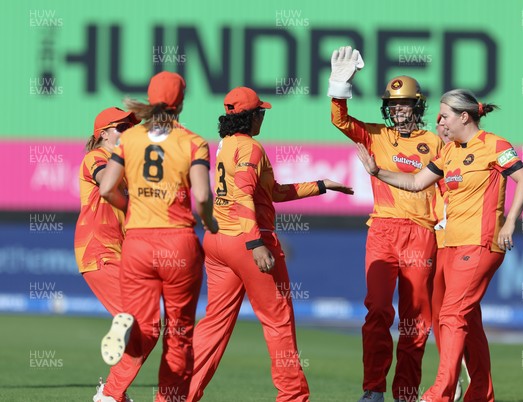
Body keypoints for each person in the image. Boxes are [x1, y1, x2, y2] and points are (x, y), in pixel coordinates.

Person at [356, 89, 523, 402]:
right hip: (450, 244)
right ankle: (481, 393)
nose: (440, 121)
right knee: (467, 320)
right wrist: (376, 172)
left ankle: (440, 393)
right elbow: (414, 183)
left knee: (451, 316)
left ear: (464, 116)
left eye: (445, 116)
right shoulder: (449, 151)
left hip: (480, 241)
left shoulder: (495, 145)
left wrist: (510, 222)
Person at [187, 86, 354, 402]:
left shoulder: (225, 146)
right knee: (278, 323)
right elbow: (242, 194)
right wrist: (255, 243)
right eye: (260, 112)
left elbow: (273, 192)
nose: (262, 118)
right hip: (246, 240)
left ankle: (179, 394)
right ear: (252, 117)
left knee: (213, 326)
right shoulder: (250, 148)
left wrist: (321, 185)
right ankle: (292, 397)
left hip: (218, 240)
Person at [328, 46, 443, 402]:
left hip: (422, 233)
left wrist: (443, 220)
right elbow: (341, 121)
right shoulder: (376, 135)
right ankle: (373, 389)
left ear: (418, 107)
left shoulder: (436, 142)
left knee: (415, 322)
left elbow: (445, 186)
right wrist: (338, 87)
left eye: (404, 104)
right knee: (377, 309)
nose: (397, 111)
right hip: (382, 230)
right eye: (393, 105)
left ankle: (406, 393)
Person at [98, 71, 218, 402]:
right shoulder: (193, 142)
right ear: (181, 101)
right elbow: (203, 197)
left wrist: (133, 209)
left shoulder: (129, 139)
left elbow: (107, 188)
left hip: (137, 244)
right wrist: (208, 222)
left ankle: (111, 391)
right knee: (179, 332)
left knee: (146, 327)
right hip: (178, 243)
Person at [74, 107, 138, 402]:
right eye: (122, 128)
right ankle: (110, 394)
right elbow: (105, 183)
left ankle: (113, 394)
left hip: (120, 251)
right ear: (103, 134)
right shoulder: (97, 158)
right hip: (97, 248)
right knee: (141, 321)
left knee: (147, 327)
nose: (128, 132)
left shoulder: (125, 165)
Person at [431, 118, 470, 402]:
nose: (443, 129)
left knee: (456, 316)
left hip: (460, 244)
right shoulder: (438, 157)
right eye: (439, 125)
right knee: (439, 317)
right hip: (436, 243)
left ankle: (452, 381)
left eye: (447, 122)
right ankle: (451, 378)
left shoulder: (465, 156)